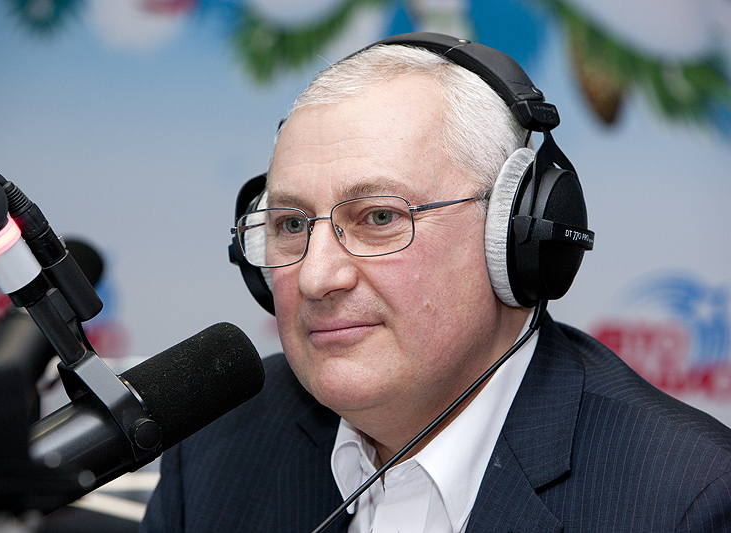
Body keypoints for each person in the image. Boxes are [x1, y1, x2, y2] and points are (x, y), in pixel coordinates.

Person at [140, 33, 731, 532]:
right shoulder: (216, 446)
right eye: (292, 225)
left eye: (379, 218)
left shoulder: (685, 499)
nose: (316, 277)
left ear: (514, 234)